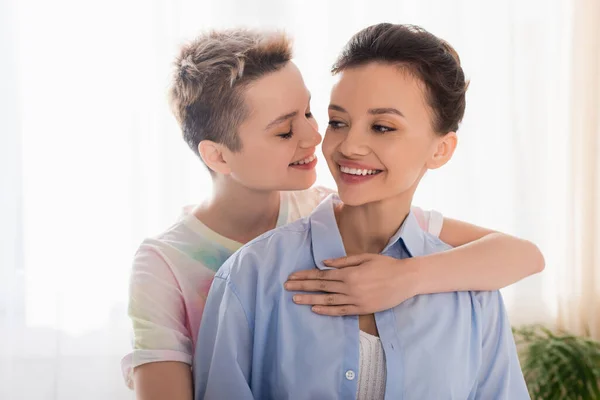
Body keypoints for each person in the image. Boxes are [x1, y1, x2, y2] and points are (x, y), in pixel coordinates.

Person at [124, 29, 541, 400]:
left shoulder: (464, 282)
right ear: (218, 156)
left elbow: (522, 255)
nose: (322, 140)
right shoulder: (233, 272)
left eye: (312, 115)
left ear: (442, 148)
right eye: (336, 121)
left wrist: (404, 279)